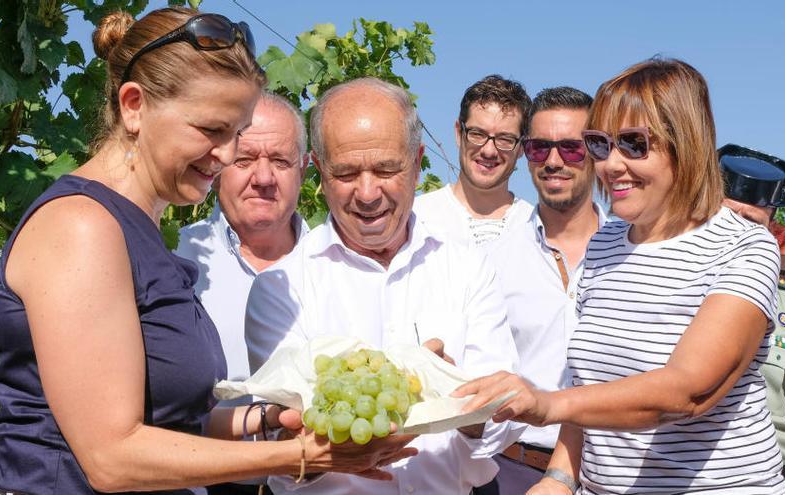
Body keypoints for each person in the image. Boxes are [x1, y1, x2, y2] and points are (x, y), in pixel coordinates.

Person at [0, 8, 414, 494]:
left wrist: (263, 419)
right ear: (133, 106)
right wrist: (298, 456)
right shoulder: (81, 227)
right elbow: (111, 458)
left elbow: (169, 425)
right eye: (212, 130)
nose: (228, 154)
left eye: (236, 133)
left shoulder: (139, 231)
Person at [455, 58, 785, 494]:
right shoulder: (606, 244)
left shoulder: (743, 246)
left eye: (634, 144)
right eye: (600, 144)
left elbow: (687, 390)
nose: (610, 165)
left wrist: (546, 404)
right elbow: (587, 383)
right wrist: (559, 478)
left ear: (684, 143)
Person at [245, 77, 522, 495]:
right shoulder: (281, 288)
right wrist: (307, 447)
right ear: (319, 171)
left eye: (387, 169)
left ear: (416, 163)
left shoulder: (468, 270)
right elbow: (288, 457)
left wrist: (460, 399)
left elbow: (503, 427)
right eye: (346, 173)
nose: (368, 192)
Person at [175, 91, 309, 495]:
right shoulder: (175, 258)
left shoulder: (335, 267)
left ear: (303, 170)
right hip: (204, 484)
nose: (264, 178)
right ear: (217, 164)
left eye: (281, 161)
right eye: (245, 159)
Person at [486, 87, 608, 494]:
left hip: (613, 474)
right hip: (511, 471)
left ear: (596, 150)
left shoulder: (634, 255)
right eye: (540, 148)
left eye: (572, 149)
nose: (554, 161)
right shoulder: (491, 257)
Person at [719, 144, 785, 493]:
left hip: (769, 477)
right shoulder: (665, 283)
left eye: (752, 223)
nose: (736, 233)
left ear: (770, 227)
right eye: (728, 217)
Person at [414, 75, 533, 247]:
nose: (489, 151)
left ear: (522, 146)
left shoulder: (536, 229)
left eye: (505, 139)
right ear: (458, 133)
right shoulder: (417, 219)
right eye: (477, 134)